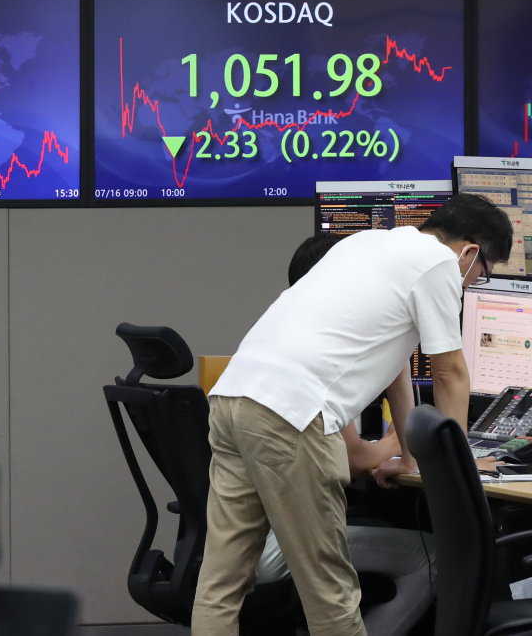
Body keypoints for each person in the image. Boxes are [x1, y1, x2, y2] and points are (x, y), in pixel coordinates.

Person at [193, 194, 510, 636]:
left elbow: (396, 372)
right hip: (293, 416)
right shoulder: (439, 263)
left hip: (233, 400)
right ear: (469, 252)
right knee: (331, 593)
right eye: (481, 277)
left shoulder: (363, 245)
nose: (471, 286)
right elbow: (451, 374)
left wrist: (412, 461)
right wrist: (455, 469)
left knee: (221, 583)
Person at [254, 233, 435, 636]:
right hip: (284, 542)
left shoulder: (276, 341)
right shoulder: (324, 352)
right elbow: (355, 458)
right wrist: (406, 442)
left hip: (249, 538)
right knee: (435, 555)